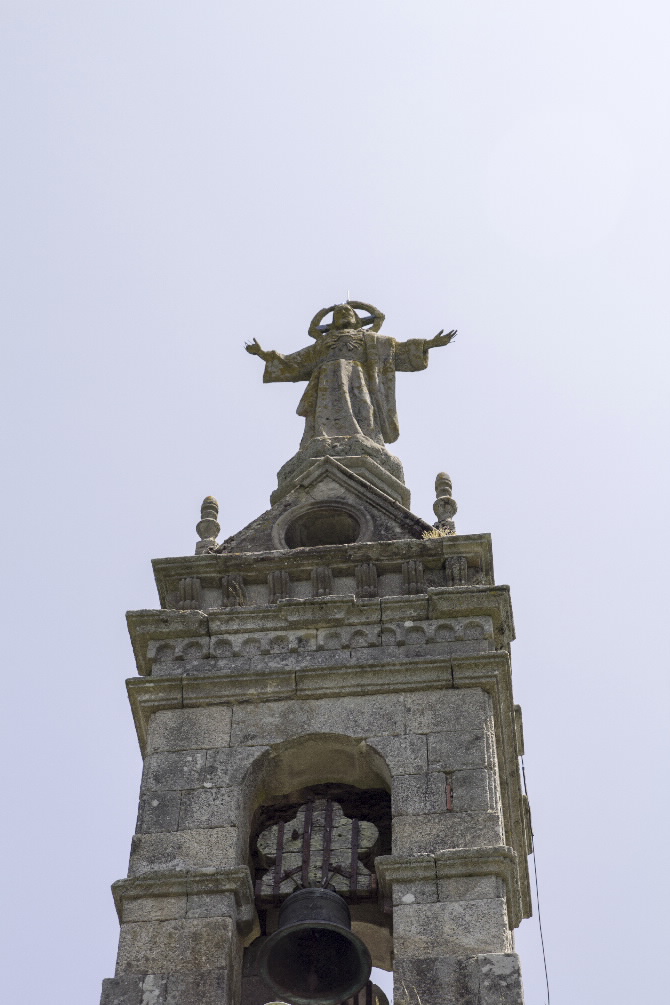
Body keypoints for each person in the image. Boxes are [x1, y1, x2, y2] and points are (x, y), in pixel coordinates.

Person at [245, 301, 456, 449]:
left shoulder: (371, 340)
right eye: (338, 314)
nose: (344, 315)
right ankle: (322, 438)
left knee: (363, 407)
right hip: (326, 381)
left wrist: (429, 344)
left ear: (357, 319)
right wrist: (263, 354)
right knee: (324, 413)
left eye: (348, 313)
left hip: (358, 379)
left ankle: (366, 438)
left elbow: (397, 351)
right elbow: (293, 362)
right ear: (333, 323)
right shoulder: (322, 344)